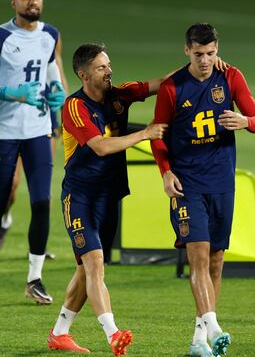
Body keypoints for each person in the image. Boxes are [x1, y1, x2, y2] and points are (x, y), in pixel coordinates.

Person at [46, 43, 171, 356]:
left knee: (86, 269)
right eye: (101, 68)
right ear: (83, 75)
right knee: (95, 263)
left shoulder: (120, 94)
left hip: (110, 196)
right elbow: (100, 147)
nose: (109, 71)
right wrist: (144, 134)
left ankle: (59, 333)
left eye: (109, 65)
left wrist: (199, 66)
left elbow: (162, 83)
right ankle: (113, 334)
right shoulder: (74, 106)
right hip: (81, 198)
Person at [151, 23, 255, 357]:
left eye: (211, 53)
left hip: (221, 182)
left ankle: (199, 339)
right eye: (199, 54)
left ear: (218, 49)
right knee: (198, 255)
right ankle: (215, 328)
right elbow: (159, 134)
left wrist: (244, 122)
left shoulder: (230, 78)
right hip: (187, 184)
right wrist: (165, 171)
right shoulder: (172, 88)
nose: (205, 60)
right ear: (186, 50)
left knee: (216, 261)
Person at [0, 0, 66, 304]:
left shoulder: (50, 34)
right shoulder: (0, 37)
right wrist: (6, 92)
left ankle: (34, 278)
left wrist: (55, 92)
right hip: (4, 133)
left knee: (41, 202)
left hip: (37, 131)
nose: (32, 2)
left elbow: (49, 66)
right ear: (14, 3)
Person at [0, 34, 70, 258]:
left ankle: (37, 246)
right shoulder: (9, 40)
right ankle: (4, 219)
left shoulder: (51, 38)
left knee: (41, 190)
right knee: (11, 185)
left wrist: (65, 110)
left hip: (45, 120)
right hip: (18, 121)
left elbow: (59, 72)